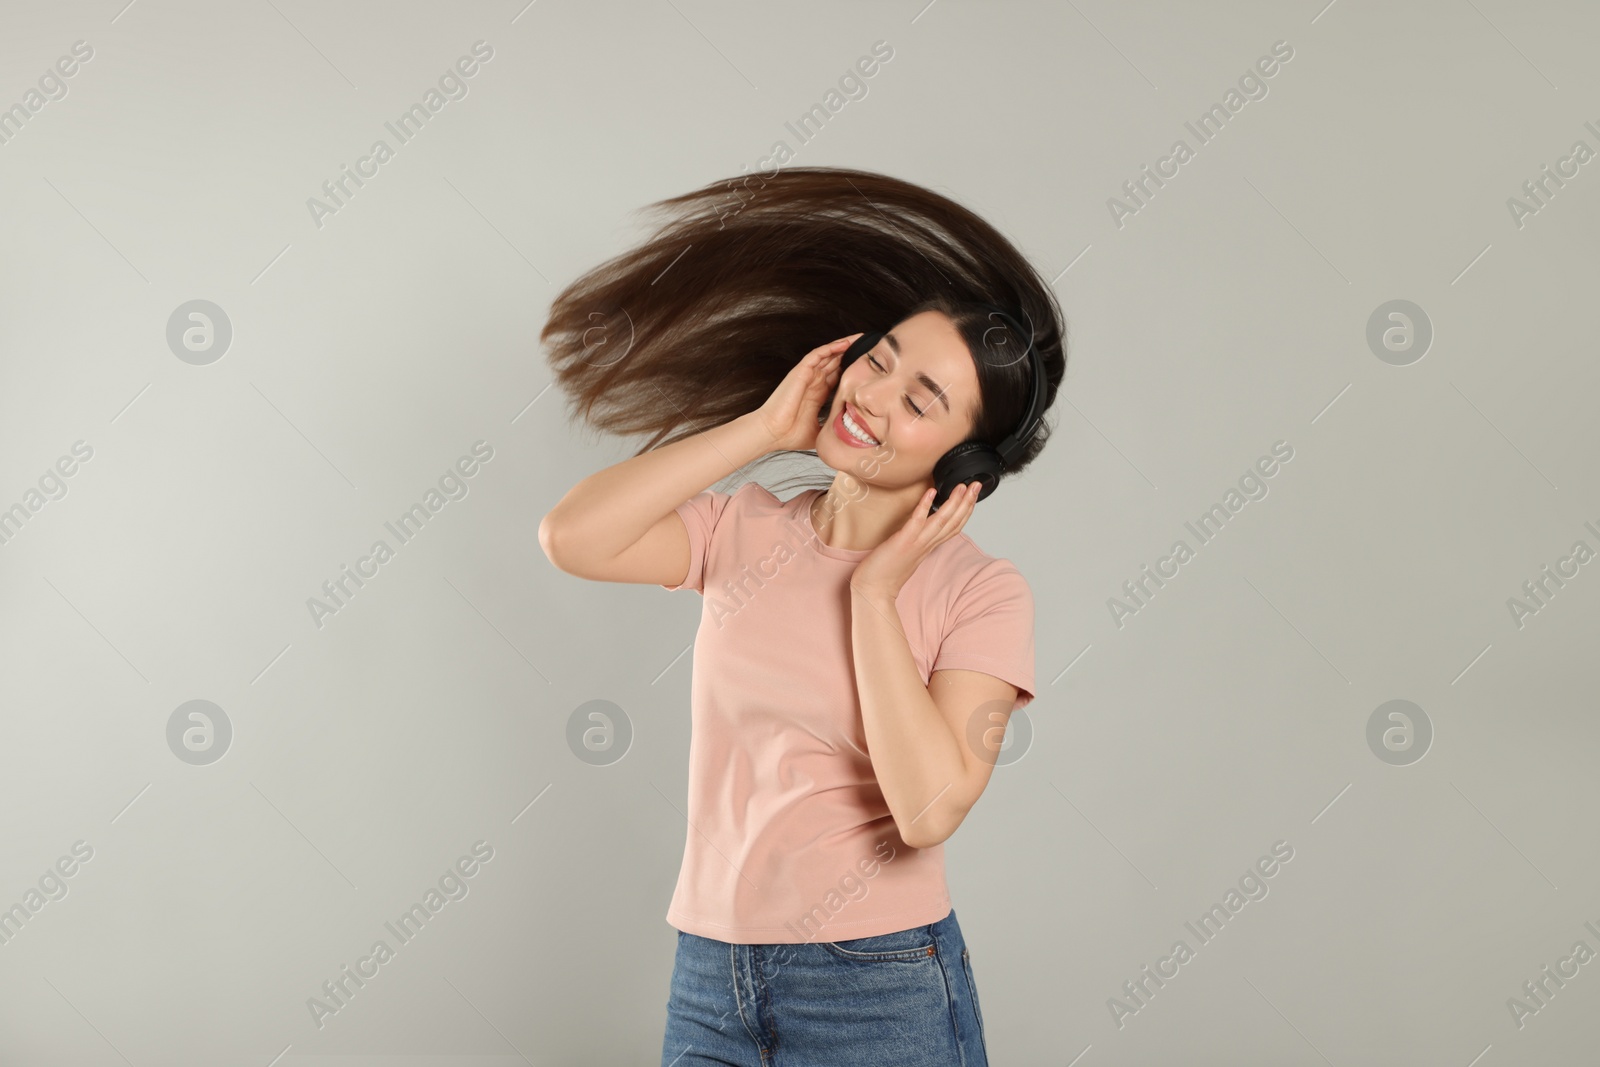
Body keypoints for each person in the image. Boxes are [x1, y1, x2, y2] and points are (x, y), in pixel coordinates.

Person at [537, 166, 1067, 1066]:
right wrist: (764, 429)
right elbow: (572, 536)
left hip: (878, 983)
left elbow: (929, 808)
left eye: (920, 401)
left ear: (967, 459)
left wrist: (872, 593)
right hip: (711, 970)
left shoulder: (982, 591)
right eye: (882, 360)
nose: (873, 396)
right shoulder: (743, 529)